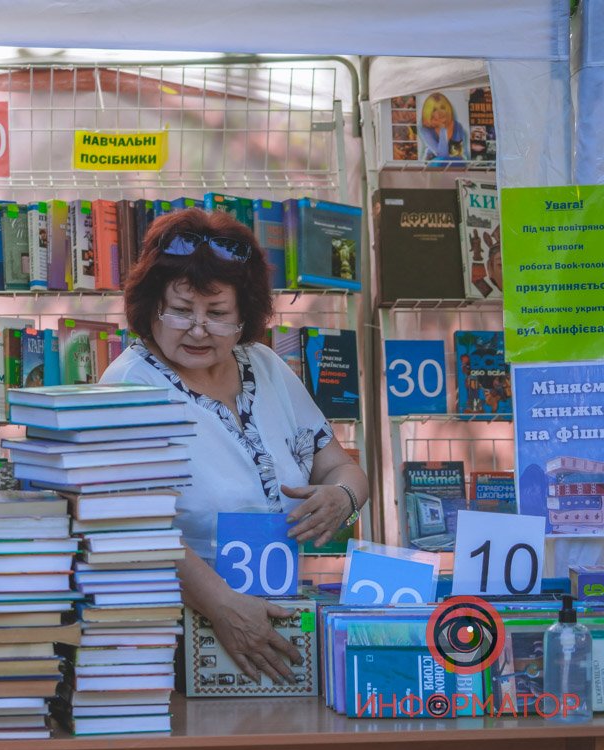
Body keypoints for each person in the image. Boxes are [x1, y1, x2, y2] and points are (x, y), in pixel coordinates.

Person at [100, 208, 368, 683]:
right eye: (181, 311)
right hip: (172, 638)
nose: (199, 329)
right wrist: (224, 607)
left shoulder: (264, 365)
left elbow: (342, 470)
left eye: (218, 314)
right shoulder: (127, 386)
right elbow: (131, 527)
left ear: (245, 315)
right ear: (151, 308)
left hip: (277, 618)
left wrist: (342, 500)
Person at [419, 92, 466, 161]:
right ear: (430, 113)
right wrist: (442, 129)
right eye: (434, 110)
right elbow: (442, 155)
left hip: (454, 163)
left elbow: (459, 153)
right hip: (433, 162)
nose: (440, 112)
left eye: (442, 107)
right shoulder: (425, 129)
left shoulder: (457, 126)